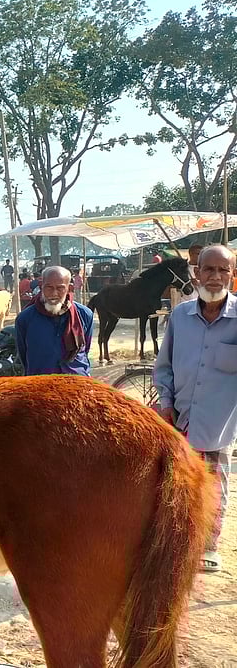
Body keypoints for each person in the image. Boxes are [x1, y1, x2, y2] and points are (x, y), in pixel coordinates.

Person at [153, 244, 237, 573]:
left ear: (232, 276)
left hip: (220, 422)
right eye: (208, 270)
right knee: (175, 482)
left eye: (223, 270)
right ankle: (176, 542)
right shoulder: (180, 317)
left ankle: (209, 545)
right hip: (179, 419)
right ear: (196, 273)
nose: (215, 277)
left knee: (214, 483)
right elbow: (164, 367)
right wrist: (166, 403)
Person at [14, 267, 93, 376]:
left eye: (60, 288)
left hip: (77, 383)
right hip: (39, 385)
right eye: (49, 288)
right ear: (41, 286)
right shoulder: (25, 319)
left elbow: (86, 349)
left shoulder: (85, 315)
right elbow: (23, 354)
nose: (54, 293)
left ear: (69, 288)